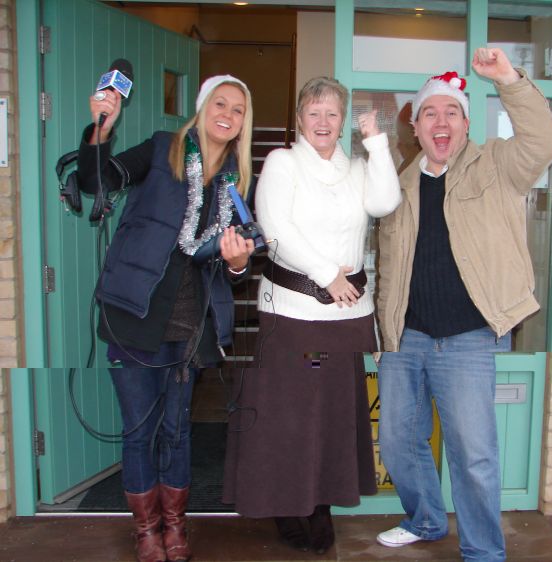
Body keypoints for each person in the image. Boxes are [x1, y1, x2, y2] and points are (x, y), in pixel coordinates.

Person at [375, 47, 552, 562]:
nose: (441, 122)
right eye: (429, 113)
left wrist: (509, 79)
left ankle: (483, 550)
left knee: (474, 456)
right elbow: (389, 267)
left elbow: (546, 140)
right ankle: (426, 519)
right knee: (397, 443)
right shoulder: (398, 187)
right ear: (415, 127)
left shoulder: (497, 165)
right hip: (406, 338)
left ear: (465, 122)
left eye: (451, 112)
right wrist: (383, 334)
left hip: (467, 339)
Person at [77, 74, 256, 562]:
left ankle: (176, 526)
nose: (228, 113)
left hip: (192, 327)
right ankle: (145, 532)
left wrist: (239, 262)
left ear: (244, 123)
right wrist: (101, 130)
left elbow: (233, 266)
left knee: (177, 431)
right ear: (201, 108)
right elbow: (99, 180)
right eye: (220, 103)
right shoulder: (162, 150)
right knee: (139, 431)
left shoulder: (237, 181)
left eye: (238, 109)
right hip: (136, 318)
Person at [222, 76, 401, 555]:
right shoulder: (282, 163)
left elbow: (386, 202)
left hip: (344, 321)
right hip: (295, 317)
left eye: (332, 114)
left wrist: (377, 142)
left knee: (332, 418)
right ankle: (290, 505)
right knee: (292, 417)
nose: (323, 122)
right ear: (300, 118)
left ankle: (319, 503)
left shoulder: (356, 168)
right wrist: (327, 275)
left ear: (342, 122)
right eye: (314, 112)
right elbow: (277, 229)